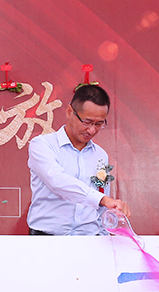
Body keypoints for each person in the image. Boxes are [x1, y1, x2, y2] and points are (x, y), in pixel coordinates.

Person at [25, 83, 130, 235]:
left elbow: (101, 204)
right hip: (47, 239)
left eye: (99, 124)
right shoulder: (42, 145)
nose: (92, 130)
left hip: (90, 238)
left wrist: (104, 234)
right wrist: (102, 199)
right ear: (70, 112)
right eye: (87, 122)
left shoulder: (100, 155)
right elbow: (57, 181)